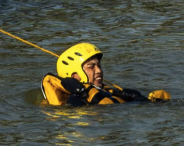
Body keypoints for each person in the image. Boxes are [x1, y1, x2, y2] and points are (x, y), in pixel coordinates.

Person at [41, 43, 171, 106]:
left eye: (99, 65)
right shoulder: (73, 100)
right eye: (91, 66)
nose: (98, 70)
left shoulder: (108, 91)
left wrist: (137, 98)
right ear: (74, 76)